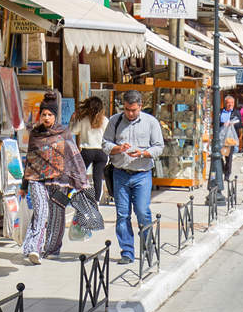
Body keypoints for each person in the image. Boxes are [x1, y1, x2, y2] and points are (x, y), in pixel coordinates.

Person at [22, 90, 88, 264]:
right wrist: (23, 185)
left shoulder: (63, 133)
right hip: (36, 179)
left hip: (59, 180)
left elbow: (73, 156)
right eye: (44, 114)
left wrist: (80, 182)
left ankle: (51, 248)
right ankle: (34, 248)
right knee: (41, 212)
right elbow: (30, 159)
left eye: (50, 115)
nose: (46, 118)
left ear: (55, 116)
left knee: (57, 214)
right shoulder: (35, 135)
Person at [103, 90, 165, 263]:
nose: (130, 114)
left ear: (140, 106)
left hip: (142, 174)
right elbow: (105, 144)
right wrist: (118, 148)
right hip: (120, 173)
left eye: (134, 110)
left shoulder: (151, 122)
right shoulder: (115, 121)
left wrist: (143, 153)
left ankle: (147, 246)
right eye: (127, 110)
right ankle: (127, 252)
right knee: (122, 214)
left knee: (142, 211)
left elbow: (159, 147)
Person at [73, 96, 109, 204]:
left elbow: (73, 131)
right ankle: (96, 201)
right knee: (98, 177)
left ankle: (78, 196)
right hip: (101, 152)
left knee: (79, 174)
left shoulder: (83, 119)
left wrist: (73, 120)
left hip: (87, 150)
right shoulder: (104, 120)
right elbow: (108, 135)